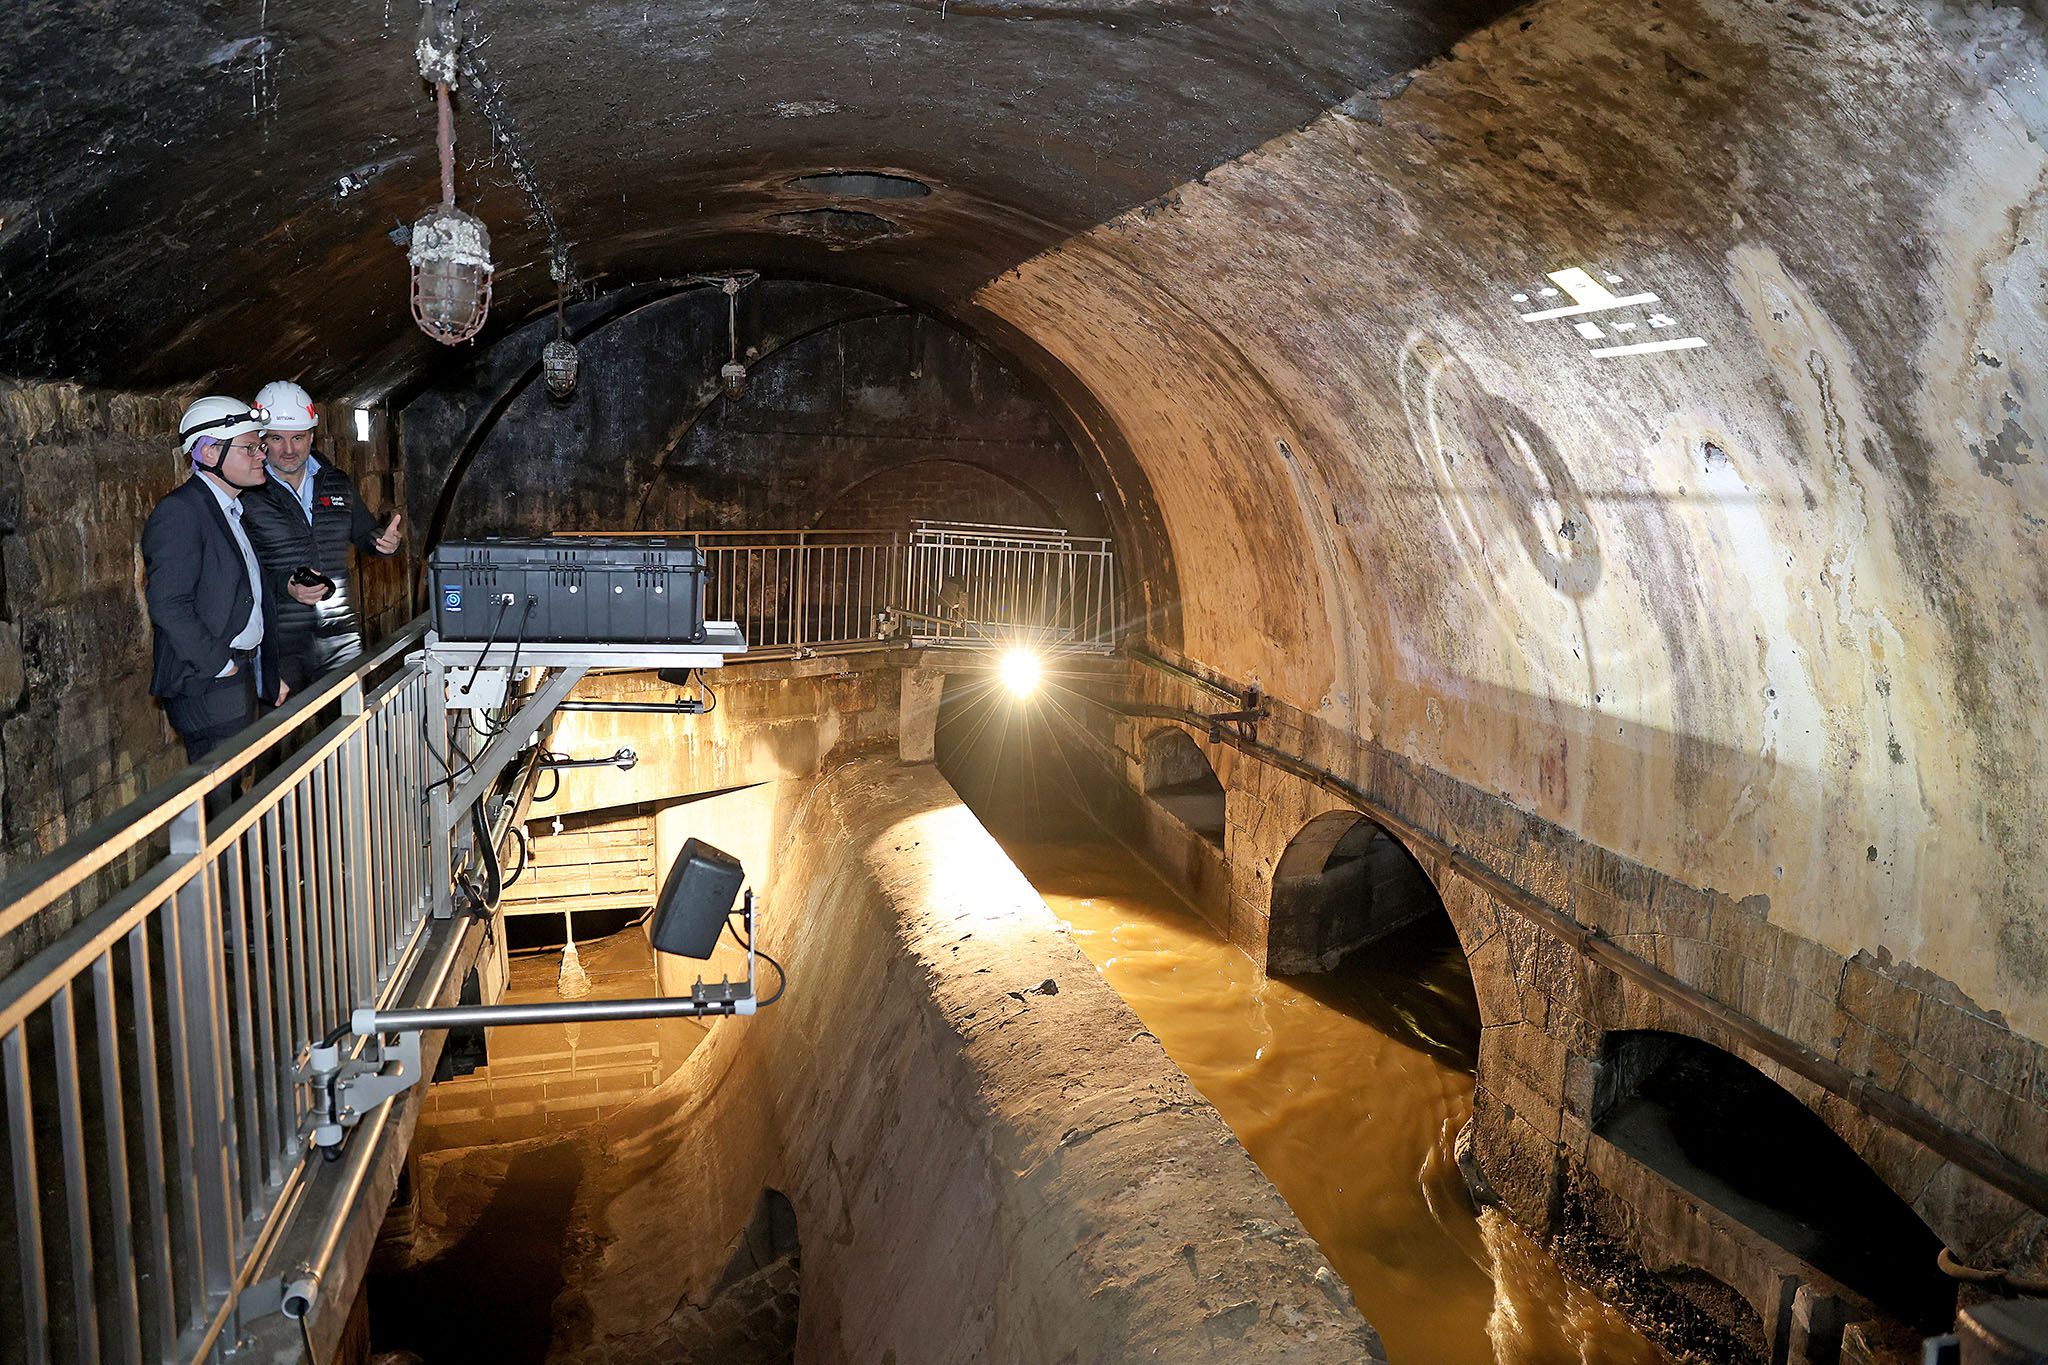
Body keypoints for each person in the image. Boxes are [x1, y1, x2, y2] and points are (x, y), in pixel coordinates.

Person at [142, 397, 319, 761]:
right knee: (221, 804)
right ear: (209, 454)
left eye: (259, 446)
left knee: (232, 796)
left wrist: (264, 674)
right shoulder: (181, 512)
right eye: (251, 447)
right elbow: (168, 603)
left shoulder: (229, 509)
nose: (262, 456)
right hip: (210, 684)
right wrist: (221, 665)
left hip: (236, 677)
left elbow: (243, 591)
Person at [239, 380, 403, 691]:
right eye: (277, 439)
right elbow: (237, 567)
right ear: (262, 439)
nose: (289, 450)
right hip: (279, 642)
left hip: (340, 636)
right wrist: (284, 586)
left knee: (352, 732)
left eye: (298, 438)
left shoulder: (336, 482)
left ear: (311, 437)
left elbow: (367, 534)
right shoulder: (247, 493)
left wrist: (386, 544)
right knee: (285, 736)